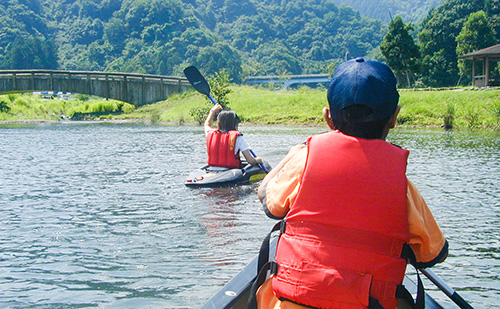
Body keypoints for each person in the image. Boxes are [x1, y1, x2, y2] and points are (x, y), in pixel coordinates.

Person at [255, 58, 448, 309]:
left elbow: (270, 203)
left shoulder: (304, 159)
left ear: (328, 117)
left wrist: (293, 154)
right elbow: (434, 254)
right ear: (394, 117)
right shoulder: (402, 187)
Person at [204, 103, 263, 169]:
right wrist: (257, 160)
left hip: (212, 169)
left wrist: (212, 111)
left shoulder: (210, 133)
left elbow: (207, 124)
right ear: (234, 122)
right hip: (230, 171)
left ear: (219, 121)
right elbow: (250, 160)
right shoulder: (238, 137)